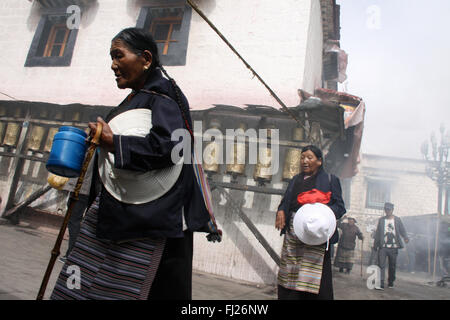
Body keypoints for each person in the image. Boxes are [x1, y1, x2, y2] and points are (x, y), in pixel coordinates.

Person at [50, 27, 220, 300]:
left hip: (146, 219)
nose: (113, 64)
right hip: (116, 210)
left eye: (119, 55)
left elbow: (173, 146)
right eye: (111, 57)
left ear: (146, 59)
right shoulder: (133, 100)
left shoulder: (164, 95)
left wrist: (113, 142)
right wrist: (95, 140)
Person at [275, 145, 346, 300]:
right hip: (294, 235)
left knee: (313, 279)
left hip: (316, 235)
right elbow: (286, 201)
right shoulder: (296, 180)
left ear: (319, 161)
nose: (304, 161)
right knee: (290, 273)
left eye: (309, 157)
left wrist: (321, 215)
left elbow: (340, 207)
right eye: (302, 157)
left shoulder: (330, 180)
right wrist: (281, 210)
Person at [58, 162, 93, 264]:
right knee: (81, 221)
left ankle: (72, 254)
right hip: (89, 186)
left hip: (81, 187)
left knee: (74, 221)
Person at [373, 202, 409, 290]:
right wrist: (375, 245)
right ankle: (380, 283)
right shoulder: (381, 220)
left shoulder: (397, 220)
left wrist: (405, 237)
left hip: (394, 247)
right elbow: (378, 233)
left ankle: (391, 281)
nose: (387, 211)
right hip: (383, 247)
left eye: (389, 210)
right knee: (381, 265)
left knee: (392, 265)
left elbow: (402, 230)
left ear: (392, 210)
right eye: (386, 209)